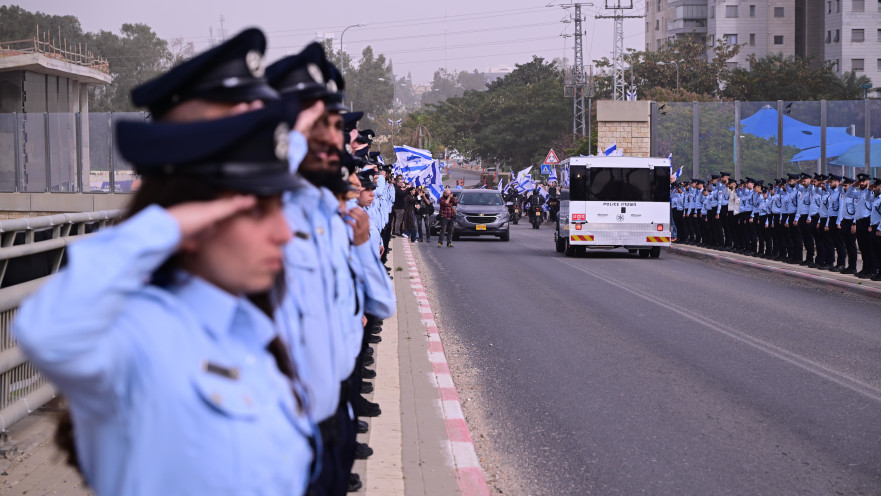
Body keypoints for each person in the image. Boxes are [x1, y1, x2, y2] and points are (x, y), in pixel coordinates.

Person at [13, 104, 315, 496]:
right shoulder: (140, 334)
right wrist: (165, 226)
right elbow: (47, 331)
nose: (284, 233)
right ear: (196, 220)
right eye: (257, 211)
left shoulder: (248, 334)